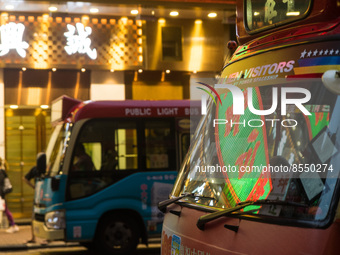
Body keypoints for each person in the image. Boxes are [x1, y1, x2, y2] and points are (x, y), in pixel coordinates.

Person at [0, 158, 19, 233]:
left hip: (1, 196)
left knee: (6, 211)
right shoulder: (2, 173)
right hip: (1, 195)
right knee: (6, 210)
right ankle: (13, 225)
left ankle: (13, 225)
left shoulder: (1, 173)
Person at [23, 165, 39, 243]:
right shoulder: (50, 168)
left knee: (33, 216)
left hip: (39, 195)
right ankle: (34, 238)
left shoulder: (36, 168)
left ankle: (33, 238)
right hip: (44, 194)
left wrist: (34, 187)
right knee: (34, 216)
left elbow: (25, 178)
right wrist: (33, 187)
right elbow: (25, 178)